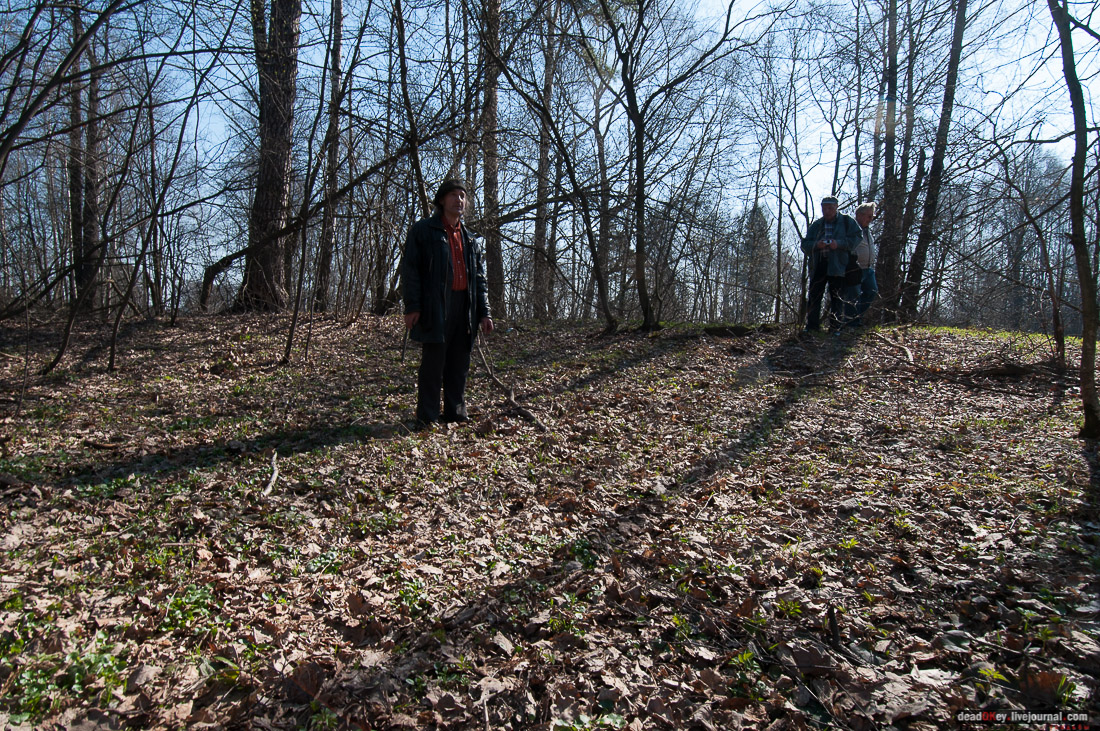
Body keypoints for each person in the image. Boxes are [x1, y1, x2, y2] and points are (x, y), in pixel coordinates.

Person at [401, 179, 493, 426]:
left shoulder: (471, 239)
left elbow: (479, 280)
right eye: (453, 195)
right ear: (442, 200)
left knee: (459, 363)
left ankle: (455, 412)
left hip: (465, 307)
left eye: (462, 196)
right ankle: (427, 417)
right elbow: (410, 271)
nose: (459, 200)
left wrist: (485, 313)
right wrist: (412, 306)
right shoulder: (423, 231)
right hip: (435, 306)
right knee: (433, 364)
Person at [801, 195, 862, 332]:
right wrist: (817, 245)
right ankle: (812, 327)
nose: (827, 211)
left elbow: (857, 237)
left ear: (836, 208)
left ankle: (835, 328)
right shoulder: (816, 225)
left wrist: (839, 244)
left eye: (830, 208)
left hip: (839, 265)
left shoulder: (847, 222)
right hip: (819, 265)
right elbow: (805, 245)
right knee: (814, 296)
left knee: (837, 297)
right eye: (824, 208)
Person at [848, 202, 878, 327]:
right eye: (869, 216)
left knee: (872, 291)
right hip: (856, 268)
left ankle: (857, 319)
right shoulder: (851, 229)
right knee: (853, 296)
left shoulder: (867, 230)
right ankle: (850, 323)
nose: (871, 219)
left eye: (872, 216)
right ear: (859, 215)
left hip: (869, 268)